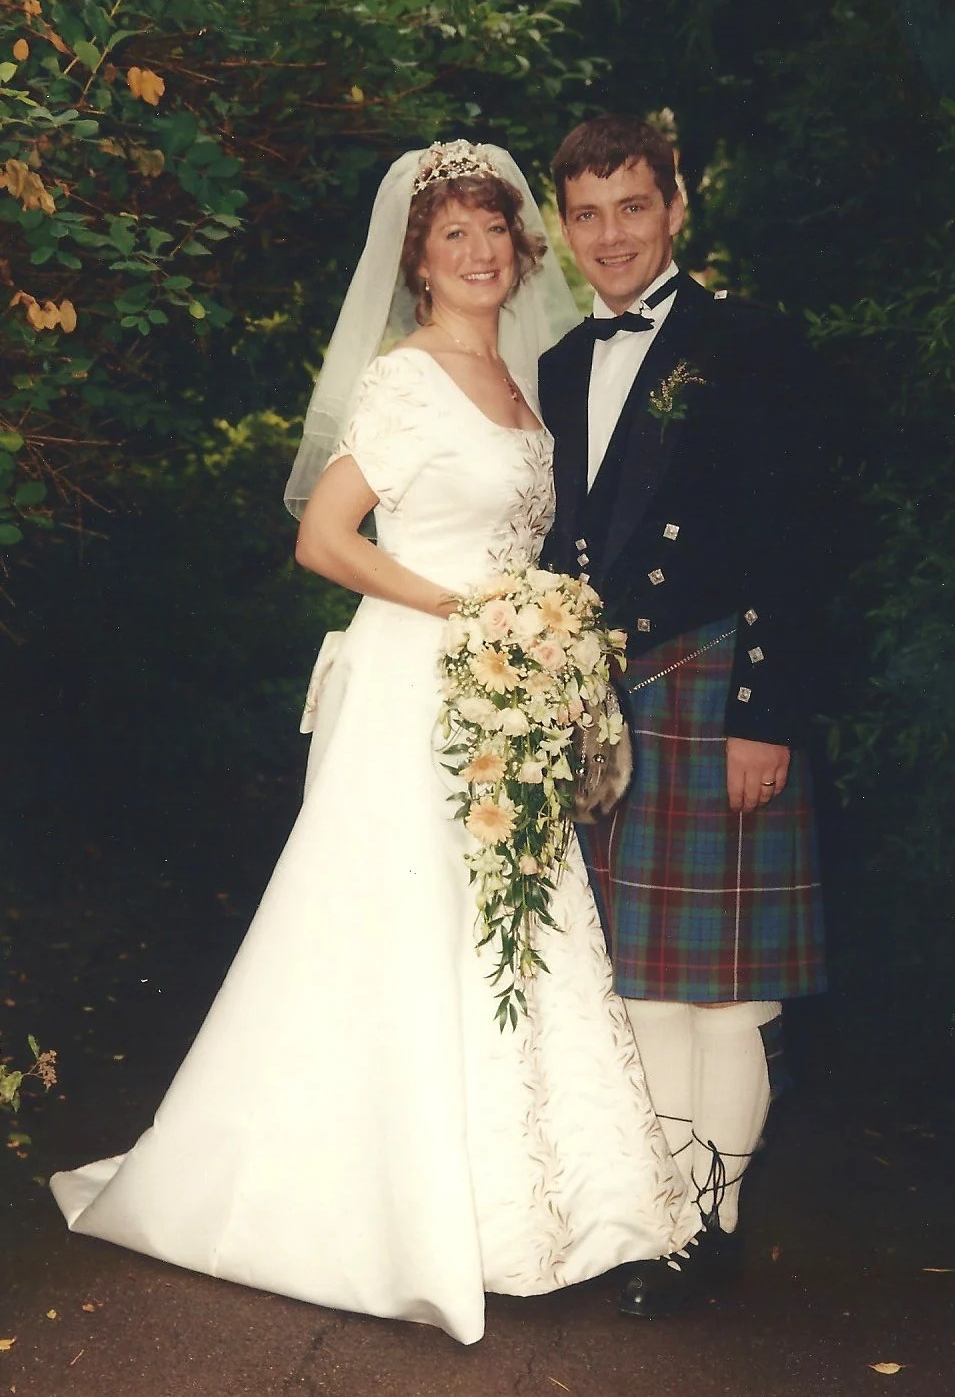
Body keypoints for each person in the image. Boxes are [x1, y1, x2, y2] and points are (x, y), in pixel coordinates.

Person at [50, 140, 698, 1347]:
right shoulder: (404, 381)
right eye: (452, 235)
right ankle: (380, 1207)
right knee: (408, 929)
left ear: (522, 246)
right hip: (420, 679)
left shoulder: (527, 378)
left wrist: (537, 642)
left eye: (494, 229)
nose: (479, 251)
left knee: (515, 923)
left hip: (503, 690)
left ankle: (532, 1212)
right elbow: (326, 538)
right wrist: (465, 611)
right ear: (416, 262)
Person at [538, 115, 827, 1317]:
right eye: (587, 213)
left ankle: (716, 1225)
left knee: (728, 989)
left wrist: (765, 713)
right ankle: (667, 1217)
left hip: (716, 687)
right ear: (564, 226)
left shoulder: (750, 343)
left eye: (632, 206)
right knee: (647, 985)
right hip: (615, 703)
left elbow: (798, 539)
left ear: (674, 207)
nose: (611, 235)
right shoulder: (561, 363)